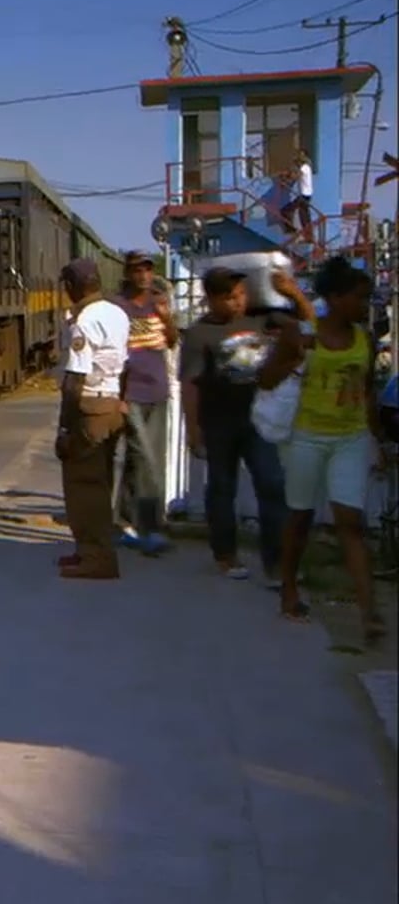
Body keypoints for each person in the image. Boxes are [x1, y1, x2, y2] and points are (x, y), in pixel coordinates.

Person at [259, 257, 385, 641]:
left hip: (350, 437)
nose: (366, 306)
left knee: (350, 522)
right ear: (335, 297)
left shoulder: (365, 338)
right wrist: (295, 359)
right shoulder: (300, 333)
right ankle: (290, 589)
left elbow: (367, 393)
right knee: (300, 518)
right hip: (306, 437)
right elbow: (265, 379)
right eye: (359, 298)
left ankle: (369, 612)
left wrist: (377, 439)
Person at [178, 266, 306, 582]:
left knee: (272, 484)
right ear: (211, 299)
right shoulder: (199, 334)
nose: (239, 302)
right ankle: (226, 554)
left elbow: (305, 325)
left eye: (242, 295)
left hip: (258, 420)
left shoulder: (263, 319)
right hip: (218, 422)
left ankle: (276, 564)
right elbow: (190, 383)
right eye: (231, 298)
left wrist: (292, 293)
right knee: (222, 489)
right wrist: (193, 429)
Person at [57, 258, 131, 580]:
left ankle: (97, 558)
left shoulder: (84, 321)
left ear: (72, 286)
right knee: (99, 484)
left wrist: (64, 428)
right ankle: (87, 550)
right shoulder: (117, 313)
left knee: (84, 486)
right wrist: (121, 401)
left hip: (89, 408)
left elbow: (75, 379)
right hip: (112, 404)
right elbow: (125, 365)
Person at [110, 251, 177, 555]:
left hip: (158, 390)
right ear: (127, 273)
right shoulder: (117, 306)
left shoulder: (158, 302)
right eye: (137, 270)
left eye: (148, 269)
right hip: (130, 391)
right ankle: (151, 529)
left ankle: (123, 521)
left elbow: (172, 342)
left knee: (146, 460)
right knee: (146, 459)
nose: (143, 275)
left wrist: (166, 318)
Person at [279, 150, 315, 241]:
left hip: (304, 195)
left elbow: (296, 175)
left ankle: (291, 230)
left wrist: (286, 181)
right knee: (304, 216)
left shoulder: (305, 167)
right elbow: (295, 174)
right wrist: (287, 175)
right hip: (306, 195)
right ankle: (309, 236)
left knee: (285, 211)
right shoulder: (306, 167)